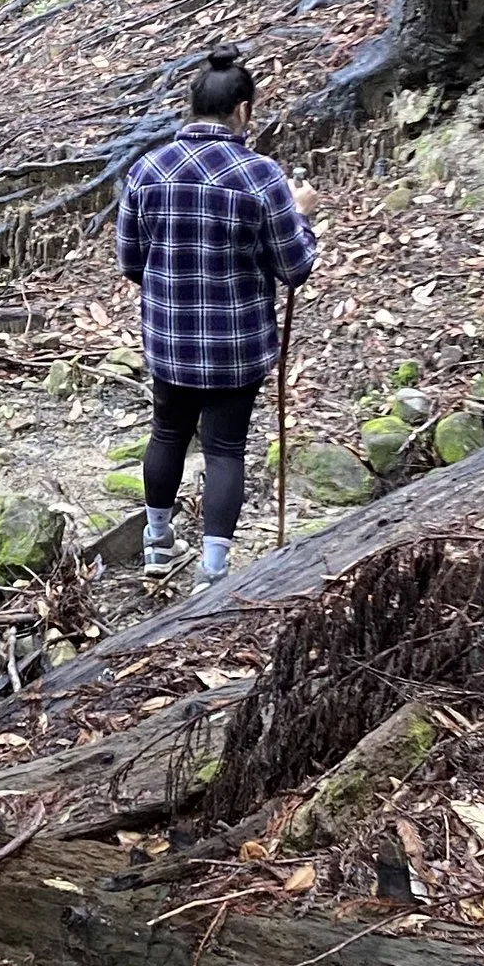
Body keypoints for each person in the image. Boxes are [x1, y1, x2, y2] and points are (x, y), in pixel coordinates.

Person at [115, 47, 319, 585]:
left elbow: (131, 261)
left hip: (169, 338)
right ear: (244, 112)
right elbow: (293, 267)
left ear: (191, 105)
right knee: (226, 446)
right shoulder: (261, 177)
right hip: (238, 344)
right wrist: (302, 216)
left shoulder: (146, 169)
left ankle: (157, 543)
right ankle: (214, 570)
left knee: (167, 431)